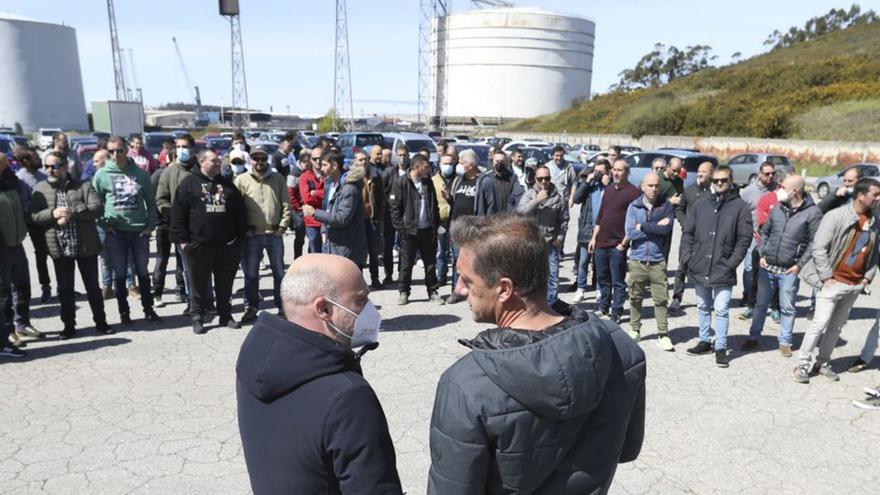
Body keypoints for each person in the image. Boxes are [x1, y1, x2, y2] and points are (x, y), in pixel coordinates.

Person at [428, 214, 646, 494]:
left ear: (504, 289)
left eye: (467, 280)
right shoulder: (622, 348)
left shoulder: (465, 385)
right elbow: (626, 449)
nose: (458, 289)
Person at [236, 254, 402, 494]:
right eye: (361, 299)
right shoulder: (348, 397)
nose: (370, 309)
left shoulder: (253, 359)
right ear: (324, 309)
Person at [792, 178, 880, 383]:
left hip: (854, 284)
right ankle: (801, 365)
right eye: (875, 194)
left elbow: (875, 253)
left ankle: (822, 362)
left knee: (836, 327)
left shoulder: (875, 221)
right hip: (833, 283)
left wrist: (867, 278)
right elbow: (819, 248)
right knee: (819, 324)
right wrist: (827, 277)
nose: (878, 198)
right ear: (860, 196)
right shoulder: (836, 216)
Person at [30, 152, 111, 339]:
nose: (50, 170)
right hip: (59, 248)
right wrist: (54, 213)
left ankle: (101, 322)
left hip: (85, 246)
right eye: (47, 166)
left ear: (65, 166)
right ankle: (68, 326)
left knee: (92, 287)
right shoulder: (40, 188)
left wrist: (71, 212)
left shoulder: (83, 185)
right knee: (65, 289)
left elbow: (97, 208)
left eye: (54, 166)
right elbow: (34, 216)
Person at [740, 174, 821, 356]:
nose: (779, 191)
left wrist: (799, 265)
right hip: (767, 267)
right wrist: (761, 253)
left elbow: (813, 243)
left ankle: (785, 341)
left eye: (783, 187)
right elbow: (764, 232)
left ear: (794, 191)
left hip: (789, 270)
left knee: (787, 307)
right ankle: (754, 337)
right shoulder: (777, 208)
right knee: (761, 303)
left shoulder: (812, 213)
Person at [681, 165, 752, 368]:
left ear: (730, 182)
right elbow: (688, 233)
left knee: (721, 309)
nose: (719, 183)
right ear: (711, 181)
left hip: (723, 267)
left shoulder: (740, 207)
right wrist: (688, 256)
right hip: (700, 264)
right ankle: (704, 341)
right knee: (703, 306)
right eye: (716, 180)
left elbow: (744, 239)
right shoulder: (701, 204)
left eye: (724, 180)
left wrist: (731, 263)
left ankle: (721, 347)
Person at [171, 149, 246, 334]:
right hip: (198, 246)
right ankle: (197, 316)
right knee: (197, 284)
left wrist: (239, 238)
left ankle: (225, 315)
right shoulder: (189, 184)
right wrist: (183, 241)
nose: (218, 163)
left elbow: (240, 213)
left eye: (219, 160)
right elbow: (178, 213)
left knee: (224, 284)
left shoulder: (227, 185)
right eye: (214, 161)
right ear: (202, 162)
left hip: (226, 246)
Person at [92, 136, 162, 325]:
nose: (116, 155)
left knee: (142, 273)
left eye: (120, 150)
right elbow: (95, 204)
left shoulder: (140, 174)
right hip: (116, 233)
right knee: (120, 274)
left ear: (126, 150)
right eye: (112, 151)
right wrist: (105, 225)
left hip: (139, 232)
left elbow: (151, 202)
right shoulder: (102, 175)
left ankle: (149, 309)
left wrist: (150, 226)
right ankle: (124, 312)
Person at [235, 145, 291, 324]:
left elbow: (286, 205)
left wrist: (282, 226)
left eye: (262, 158)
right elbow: (237, 208)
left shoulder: (278, 178)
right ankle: (251, 307)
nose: (259, 162)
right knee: (251, 274)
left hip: (274, 234)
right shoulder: (241, 180)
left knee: (279, 273)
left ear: (267, 159)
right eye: (255, 158)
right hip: (252, 235)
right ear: (250, 160)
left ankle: (282, 306)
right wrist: (244, 229)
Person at [624, 171, 675, 349]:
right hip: (637, 259)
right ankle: (635, 329)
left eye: (656, 186)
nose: (654, 189)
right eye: (650, 185)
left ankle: (663, 333)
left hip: (658, 260)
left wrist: (644, 226)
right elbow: (630, 233)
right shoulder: (634, 207)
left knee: (661, 299)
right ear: (643, 186)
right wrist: (654, 228)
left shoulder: (666, 205)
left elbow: (666, 230)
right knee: (635, 297)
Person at [589, 158, 641, 323]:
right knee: (602, 278)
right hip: (601, 243)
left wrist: (624, 243)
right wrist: (593, 238)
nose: (616, 173)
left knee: (618, 281)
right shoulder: (609, 190)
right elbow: (601, 215)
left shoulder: (633, 193)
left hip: (617, 245)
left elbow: (636, 221)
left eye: (620, 170)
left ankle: (617, 311)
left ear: (627, 173)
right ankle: (603, 307)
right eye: (614, 170)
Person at [155, 134, 201, 310]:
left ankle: (205, 300)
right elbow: (161, 199)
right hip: (181, 228)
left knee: (202, 267)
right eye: (179, 146)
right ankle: (192, 303)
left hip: (201, 227)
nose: (181, 150)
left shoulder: (200, 168)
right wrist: (175, 216)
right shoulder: (170, 171)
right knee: (186, 266)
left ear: (193, 149)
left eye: (185, 146)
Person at [389, 154, 442, 305]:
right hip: (409, 232)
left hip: (427, 230)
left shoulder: (428, 182)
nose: (429, 170)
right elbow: (394, 209)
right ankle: (404, 292)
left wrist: (435, 224)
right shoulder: (401, 183)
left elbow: (434, 204)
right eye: (426, 167)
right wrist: (401, 229)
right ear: (417, 167)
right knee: (406, 264)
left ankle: (433, 291)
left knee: (430, 263)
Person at [302, 151, 367, 267]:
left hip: (347, 247)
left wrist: (314, 213)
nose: (321, 168)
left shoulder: (349, 188)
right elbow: (327, 209)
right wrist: (323, 231)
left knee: (347, 283)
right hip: (331, 244)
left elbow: (342, 218)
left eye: (324, 165)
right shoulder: (329, 185)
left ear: (334, 166)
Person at [516, 164, 569, 305]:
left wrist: (560, 238)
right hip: (532, 243)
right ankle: (532, 304)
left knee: (552, 276)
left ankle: (551, 304)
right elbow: (520, 213)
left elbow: (564, 219)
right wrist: (536, 201)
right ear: (535, 179)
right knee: (531, 275)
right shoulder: (529, 195)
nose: (544, 182)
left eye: (547, 178)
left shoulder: (558, 197)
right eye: (540, 179)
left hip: (550, 243)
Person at [0, 154, 36, 350]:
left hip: (18, 244)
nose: (6, 168)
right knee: (4, 293)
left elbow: (25, 206)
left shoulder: (13, 183)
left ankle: (23, 323)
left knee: (22, 286)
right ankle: (8, 331)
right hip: (2, 249)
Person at [670, 161, 714, 313]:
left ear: (711, 174)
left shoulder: (714, 192)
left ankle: (707, 299)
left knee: (708, 268)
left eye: (704, 171)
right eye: (699, 171)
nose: (700, 174)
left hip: (707, 238)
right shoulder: (689, 190)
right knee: (682, 267)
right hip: (689, 237)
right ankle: (676, 298)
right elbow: (679, 210)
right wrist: (685, 224)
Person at [739, 161, 779, 318]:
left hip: (773, 238)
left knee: (773, 270)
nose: (770, 176)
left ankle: (773, 305)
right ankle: (748, 296)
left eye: (772, 173)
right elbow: (739, 213)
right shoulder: (747, 192)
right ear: (759, 173)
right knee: (750, 268)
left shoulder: (778, 191)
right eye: (767, 173)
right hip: (753, 236)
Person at [15, 147, 53, 302]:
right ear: (25, 161)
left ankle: (64, 286)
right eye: (35, 158)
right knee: (41, 255)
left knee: (58, 254)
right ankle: (46, 286)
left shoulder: (43, 175)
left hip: (50, 219)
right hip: (34, 223)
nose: (39, 160)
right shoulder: (20, 178)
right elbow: (23, 202)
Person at [571, 159, 610, 302]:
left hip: (603, 231)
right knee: (583, 262)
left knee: (600, 263)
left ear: (608, 172)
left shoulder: (609, 187)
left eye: (601, 172)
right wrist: (587, 182)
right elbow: (576, 199)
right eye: (596, 171)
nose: (598, 174)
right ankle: (581, 288)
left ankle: (600, 290)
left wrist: (608, 185)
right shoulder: (590, 185)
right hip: (587, 229)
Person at [149, 145, 183, 308]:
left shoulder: (183, 174)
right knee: (163, 258)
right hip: (164, 224)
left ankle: (180, 290)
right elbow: (153, 200)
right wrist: (157, 221)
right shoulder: (158, 175)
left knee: (180, 259)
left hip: (178, 224)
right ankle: (157, 293)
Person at [445, 149, 480, 304]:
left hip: (473, 228)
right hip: (457, 226)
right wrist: (449, 199)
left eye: (461, 162)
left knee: (475, 261)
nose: (458, 165)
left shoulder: (482, 180)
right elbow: (457, 201)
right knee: (457, 261)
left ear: (470, 164)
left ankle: (475, 291)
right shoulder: (460, 180)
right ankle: (456, 290)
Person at [381, 147, 408, 285]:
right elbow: (381, 192)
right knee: (388, 246)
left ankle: (402, 275)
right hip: (390, 214)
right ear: (396, 157)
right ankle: (388, 274)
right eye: (400, 155)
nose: (402, 157)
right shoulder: (389, 173)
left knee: (404, 246)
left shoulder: (411, 172)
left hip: (407, 215)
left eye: (404, 155)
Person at [475, 150, 525, 215]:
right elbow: (481, 203)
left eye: (502, 161)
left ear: (506, 162)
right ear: (493, 162)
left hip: (507, 218)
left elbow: (516, 199)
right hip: (491, 219)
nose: (499, 163)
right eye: (497, 161)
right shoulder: (486, 178)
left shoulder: (513, 178)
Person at [433, 153, 454, 286]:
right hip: (440, 221)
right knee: (440, 251)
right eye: (445, 163)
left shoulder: (458, 180)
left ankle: (456, 279)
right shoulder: (433, 180)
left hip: (454, 221)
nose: (448, 166)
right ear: (440, 164)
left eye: (450, 163)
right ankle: (441, 276)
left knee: (453, 252)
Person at [300, 147, 325, 254]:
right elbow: (307, 199)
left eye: (320, 158)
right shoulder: (304, 177)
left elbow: (333, 196)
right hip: (312, 222)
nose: (318, 161)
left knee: (326, 252)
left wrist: (316, 193)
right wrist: (323, 195)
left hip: (327, 220)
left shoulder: (328, 175)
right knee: (314, 251)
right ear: (310, 160)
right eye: (315, 159)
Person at [287, 149, 307, 260]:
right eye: (305, 163)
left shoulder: (309, 171)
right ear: (300, 161)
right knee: (300, 237)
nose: (307, 165)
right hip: (298, 210)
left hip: (308, 208)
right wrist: (297, 207)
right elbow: (290, 193)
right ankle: (297, 258)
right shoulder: (294, 173)